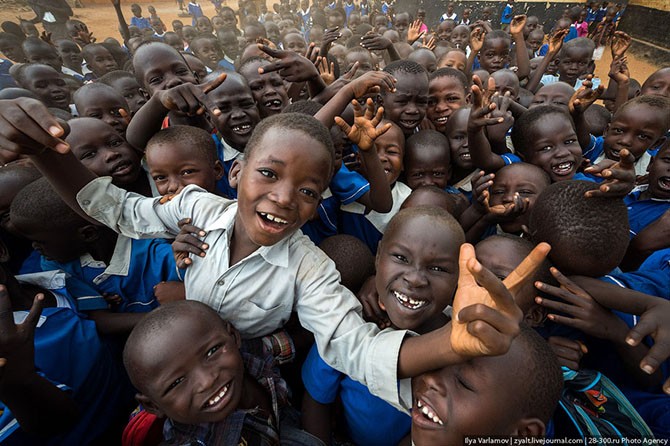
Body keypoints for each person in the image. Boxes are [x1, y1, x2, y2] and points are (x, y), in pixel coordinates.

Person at [0, 96, 541, 417]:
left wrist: (450, 342)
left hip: (245, 374)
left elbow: (353, 346)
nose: (285, 197)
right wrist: (47, 153)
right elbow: (114, 208)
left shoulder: (310, 268)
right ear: (236, 173)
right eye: (268, 174)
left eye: (309, 190)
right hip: (180, 370)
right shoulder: (196, 206)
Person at [302, 207, 465, 446]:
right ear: (378, 257)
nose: (415, 279)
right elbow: (316, 400)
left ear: (459, 278)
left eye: (438, 268)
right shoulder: (348, 327)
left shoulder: (460, 343)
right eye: (401, 258)